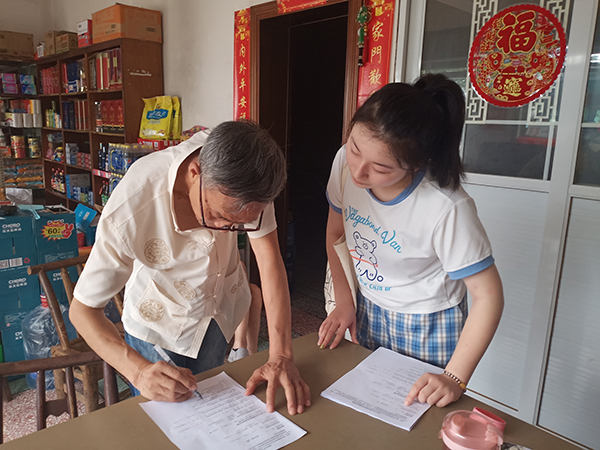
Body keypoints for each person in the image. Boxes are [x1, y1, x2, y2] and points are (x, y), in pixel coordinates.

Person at [70, 121, 310, 415]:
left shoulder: (250, 175)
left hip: (218, 314)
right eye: (217, 215)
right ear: (196, 173)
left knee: (209, 410)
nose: (225, 230)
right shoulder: (133, 204)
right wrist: (138, 372)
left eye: (237, 225)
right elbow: (82, 310)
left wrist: (281, 354)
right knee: (165, 418)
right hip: (158, 326)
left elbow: (269, 259)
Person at [317, 73, 504, 408]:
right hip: (369, 305)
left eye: (381, 168)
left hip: (427, 322)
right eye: (355, 149)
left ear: (416, 165)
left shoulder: (446, 207)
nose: (358, 172)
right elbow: (336, 234)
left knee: (417, 414)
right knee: (369, 404)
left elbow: (488, 295)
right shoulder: (345, 161)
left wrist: (454, 377)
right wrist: (345, 301)